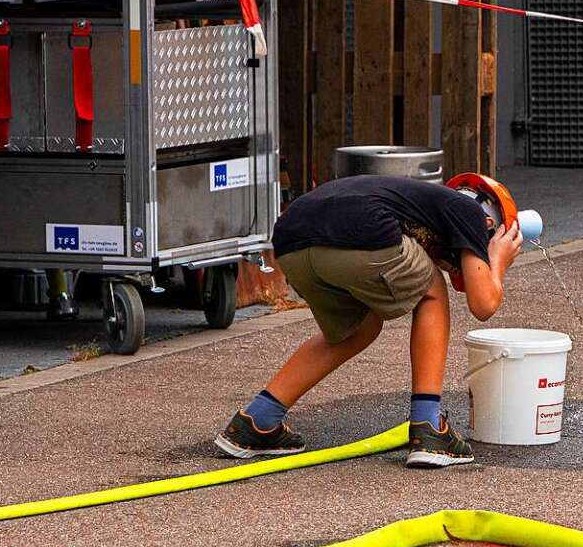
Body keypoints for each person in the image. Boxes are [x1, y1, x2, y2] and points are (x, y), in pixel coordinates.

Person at [214, 174, 523, 468]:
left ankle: (256, 421)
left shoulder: (422, 205)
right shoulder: (467, 211)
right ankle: (429, 429)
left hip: (290, 240)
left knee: (358, 329)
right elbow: (483, 305)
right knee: (432, 290)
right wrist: (497, 259)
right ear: (490, 224)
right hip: (359, 229)